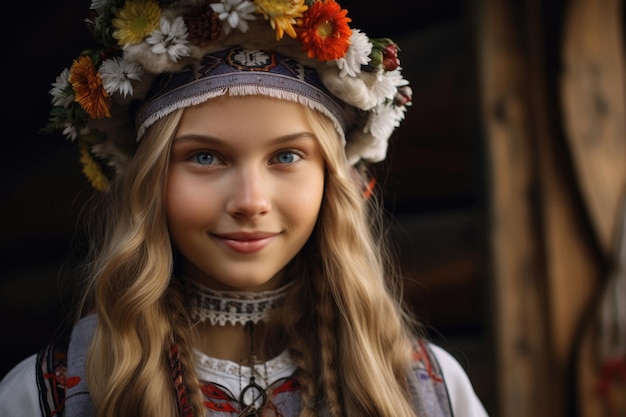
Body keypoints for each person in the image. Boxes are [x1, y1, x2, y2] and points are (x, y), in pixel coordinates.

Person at [0, 0, 489, 416]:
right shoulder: (50, 396)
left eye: (287, 156)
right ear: (150, 184)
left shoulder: (429, 391)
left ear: (329, 179)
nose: (250, 202)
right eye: (205, 157)